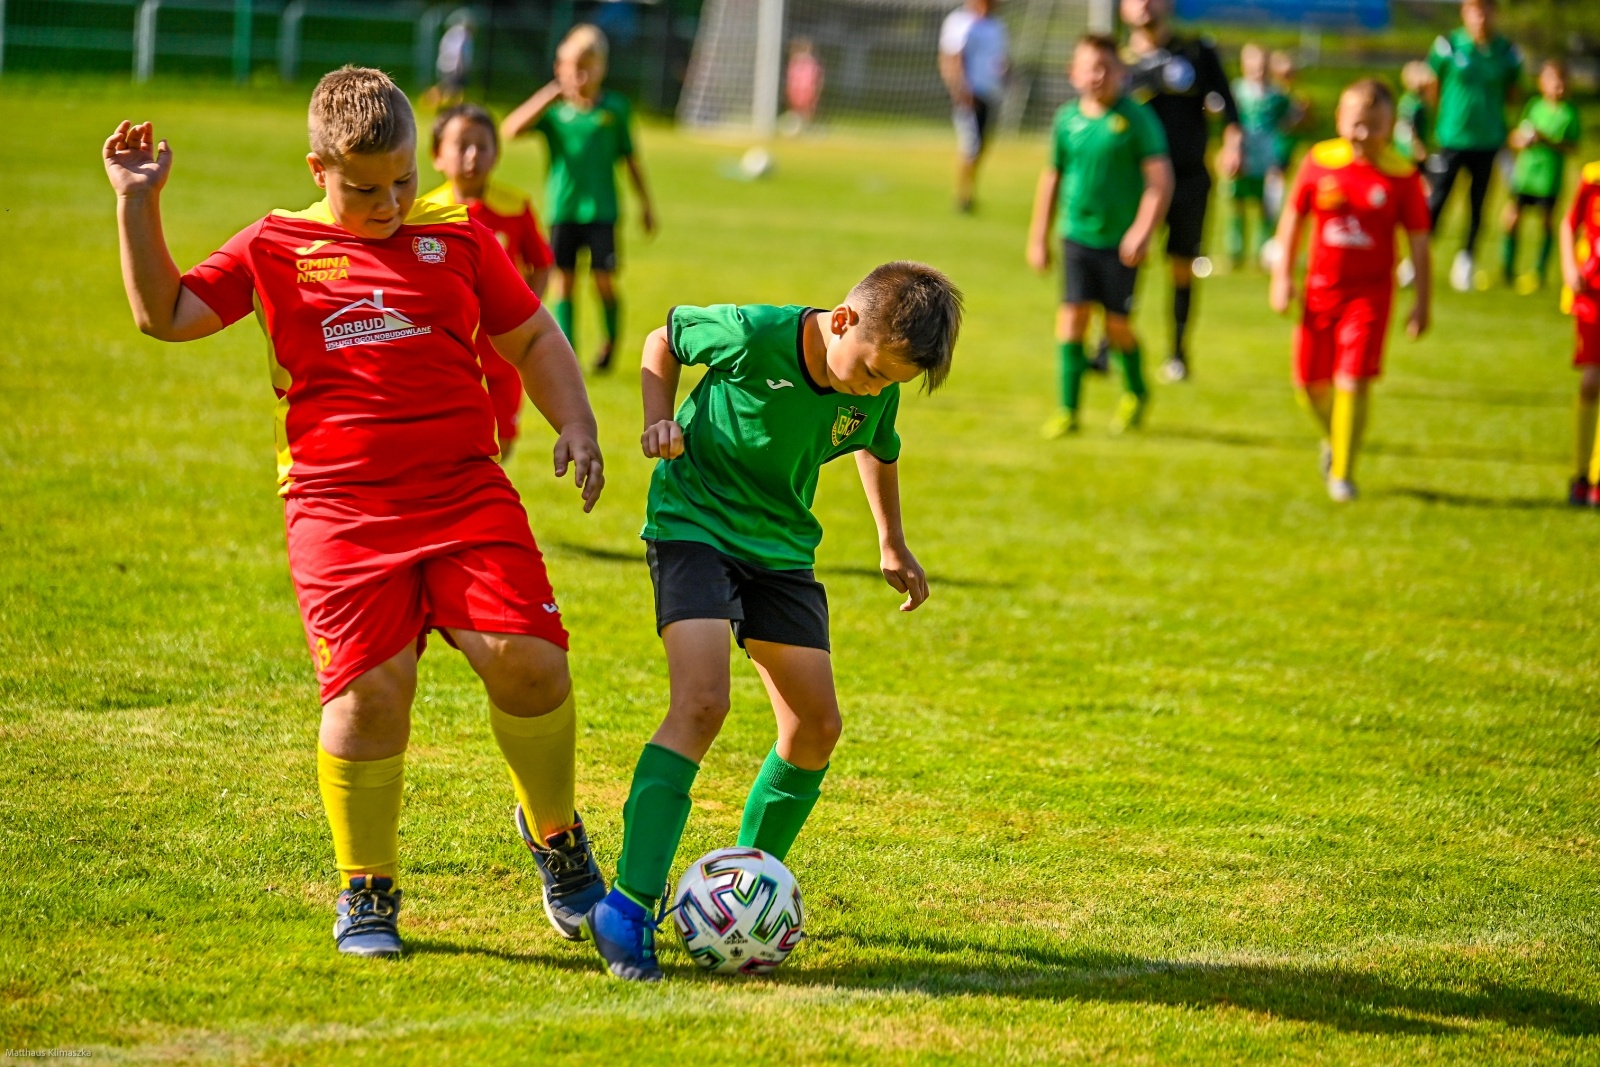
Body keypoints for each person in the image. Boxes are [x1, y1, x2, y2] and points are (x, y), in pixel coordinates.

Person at [100, 67, 610, 958]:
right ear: (318, 169)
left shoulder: (456, 235)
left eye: (403, 181)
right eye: (365, 189)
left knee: (531, 663)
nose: (389, 204)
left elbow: (530, 333)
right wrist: (137, 203)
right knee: (372, 695)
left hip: (465, 490)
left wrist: (577, 421)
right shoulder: (276, 244)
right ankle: (366, 888)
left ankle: (558, 837)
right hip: (339, 510)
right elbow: (166, 312)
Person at [581, 262, 963, 981]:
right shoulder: (756, 334)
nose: (874, 390)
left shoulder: (876, 385)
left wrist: (891, 540)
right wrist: (658, 418)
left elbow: (878, 445)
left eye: (890, 383)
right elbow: (664, 337)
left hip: (781, 548)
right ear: (843, 321)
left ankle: (745, 891)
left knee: (815, 726)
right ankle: (626, 905)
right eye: (872, 373)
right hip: (694, 525)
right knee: (702, 703)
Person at [1270, 79, 1432, 504]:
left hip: (1370, 296)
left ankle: (1342, 473)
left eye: (1374, 125)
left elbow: (1419, 241)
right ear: (1340, 120)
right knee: (1309, 386)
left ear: (1390, 125)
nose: (1363, 134)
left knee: (1353, 380)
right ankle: (1335, 438)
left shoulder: (1402, 175)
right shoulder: (1319, 161)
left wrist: (1422, 302)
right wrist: (1282, 276)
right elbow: (1293, 218)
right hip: (1318, 293)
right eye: (1356, 123)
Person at [1028, 36, 1172, 438]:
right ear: (1073, 74)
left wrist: (1142, 231)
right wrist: (1038, 236)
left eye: (1106, 68)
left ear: (1122, 73)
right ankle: (1067, 411)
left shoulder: (1136, 119)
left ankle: (1136, 392)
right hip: (1076, 235)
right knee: (1072, 317)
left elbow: (1160, 181)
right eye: (1089, 67)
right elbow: (1052, 177)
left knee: (1117, 326)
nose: (1098, 76)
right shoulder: (1066, 120)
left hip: (1121, 242)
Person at [502, 25, 656, 372]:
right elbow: (510, 129)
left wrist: (646, 205)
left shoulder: (614, 110)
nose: (581, 75)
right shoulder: (554, 114)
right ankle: (569, 352)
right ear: (560, 68)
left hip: (601, 211)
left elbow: (631, 161)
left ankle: (610, 343)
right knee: (564, 282)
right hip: (564, 210)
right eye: (573, 67)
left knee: (604, 280)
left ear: (603, 68)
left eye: (588, 67)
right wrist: (551, 92)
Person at [422, 103, 556, 461]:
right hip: (447, 351)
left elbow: (542, 263)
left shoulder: (515, 207)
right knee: (445, 442)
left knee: (502, 443)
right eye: (461, 145)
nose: (472, 156)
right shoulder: (423, 214)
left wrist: (524, 315)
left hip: (503, 352)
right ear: (437, 155)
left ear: (496, 153)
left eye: (482, 146)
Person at [1122, 0, 1241, 382]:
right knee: (1125, 259)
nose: (1145, 4)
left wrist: (1233, 146)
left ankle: (1177, 352)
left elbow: (1231, 109)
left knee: (1181, 265)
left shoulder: (1196, 52)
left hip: (1188, 178)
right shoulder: (1117, 60)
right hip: (1135, 182)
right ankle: (1110, 344)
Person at [1426, 0, 1523, 293]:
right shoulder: (1448, 45)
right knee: (1437, 200)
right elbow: (1432, 86)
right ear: (1464, 13)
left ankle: (1466, 260)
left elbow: (1514, 94)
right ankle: (1418, 259)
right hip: (1452, 137)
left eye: (1486, 10)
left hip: (1488, 140)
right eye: (1475, 10)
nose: (1481, 17)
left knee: (1478, 204)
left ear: (1495, 13)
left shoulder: (1507, 51)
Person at [1501, 59, 1580, 294]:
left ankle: (1539, 272)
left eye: (1562, 81)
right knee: (1512, 218)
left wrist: (1547, 140)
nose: (1558, 86)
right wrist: (1520, 140)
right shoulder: (1534, 106)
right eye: (1553, 80)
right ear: (1541, 83)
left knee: (1547, 222)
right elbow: (1516, 136)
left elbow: (1572, 147)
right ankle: (1507, 270)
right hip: (1526, 174)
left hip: (1549, 178)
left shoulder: (1569, 113)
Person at [939, 0, 1010, 213]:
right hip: (969, 95)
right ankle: (962, 196)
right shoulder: (960, 22)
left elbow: (1001, 59)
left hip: (990, 92)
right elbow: (951, 57)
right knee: (970, 145)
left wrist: (1007, 75)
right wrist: (959, 89)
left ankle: (970, 190)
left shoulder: (997, 26)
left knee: (980, 146)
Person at [1557, 160, 1600, 505]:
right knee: (1590, 382)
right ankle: (1580, 472)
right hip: (1592, 296)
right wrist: (1570, 268)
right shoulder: (1592, 177)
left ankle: (1598, 478)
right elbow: (1568, 223)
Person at [1228, 43, 1289, 270]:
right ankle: (1235, 251)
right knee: (1237, 203)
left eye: (1263, 65)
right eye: (1253, 64)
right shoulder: (1237, 91)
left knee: (1267, 205)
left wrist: (1282, 155)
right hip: (1242, 153)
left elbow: (1288, 124)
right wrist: (1231, 149)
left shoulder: (1278, 96)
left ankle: (1264, 251)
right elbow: (1226, 121)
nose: (1259, 70)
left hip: (1267, 156)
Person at [1395, 60, 1438, 165]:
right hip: (1411, 152)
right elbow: (1408, 127)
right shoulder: (1414, 105)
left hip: (1406, 149)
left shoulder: (1408, 100)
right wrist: (1418, 147)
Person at [783, 37, 825, 133]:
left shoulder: (811, 63)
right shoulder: (794, 62)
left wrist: (816, 88)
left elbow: (817, 78)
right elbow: (791, 78)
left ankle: (806, 127)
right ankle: (798, 127)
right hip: (797, 90)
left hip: (808, 90)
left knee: (808, 110)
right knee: (797, 109)